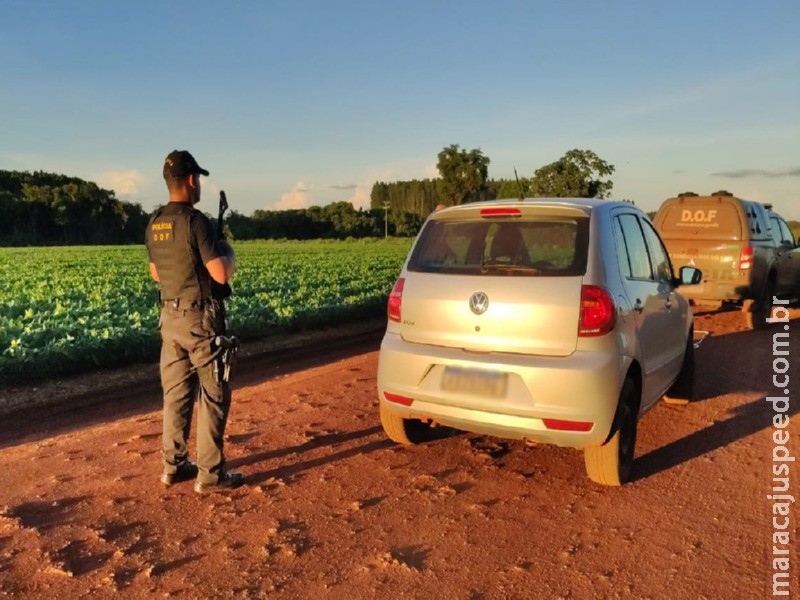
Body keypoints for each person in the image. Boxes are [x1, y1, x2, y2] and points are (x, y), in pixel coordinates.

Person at [145, 150, 243, 494]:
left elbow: (157, 273)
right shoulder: (196, 221)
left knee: (175, 395)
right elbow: (220, 272)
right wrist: (227, 252)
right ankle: (211, 475)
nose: (199, 185)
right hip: (201, 320)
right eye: (198, 178)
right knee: (214, 395)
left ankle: (173, 467)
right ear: (190, 180)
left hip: (169, 319)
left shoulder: (154, 221)